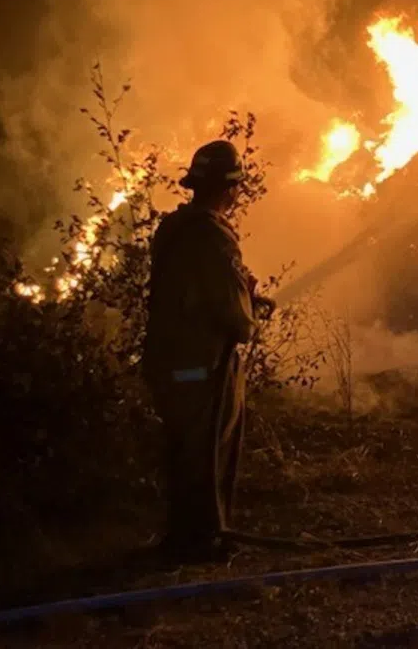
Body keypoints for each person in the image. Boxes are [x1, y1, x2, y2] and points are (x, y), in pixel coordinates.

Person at [141, 139, 275, 559]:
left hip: (167, 360)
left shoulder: (173, 227)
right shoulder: (214, 235)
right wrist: (248, 307)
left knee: (182, 450)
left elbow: (189, 287)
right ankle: (203, 540)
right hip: (202, 363)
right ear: (229, 189)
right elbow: (235, 317)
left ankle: (183, 535)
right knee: (209, 450)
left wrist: (245, 294)